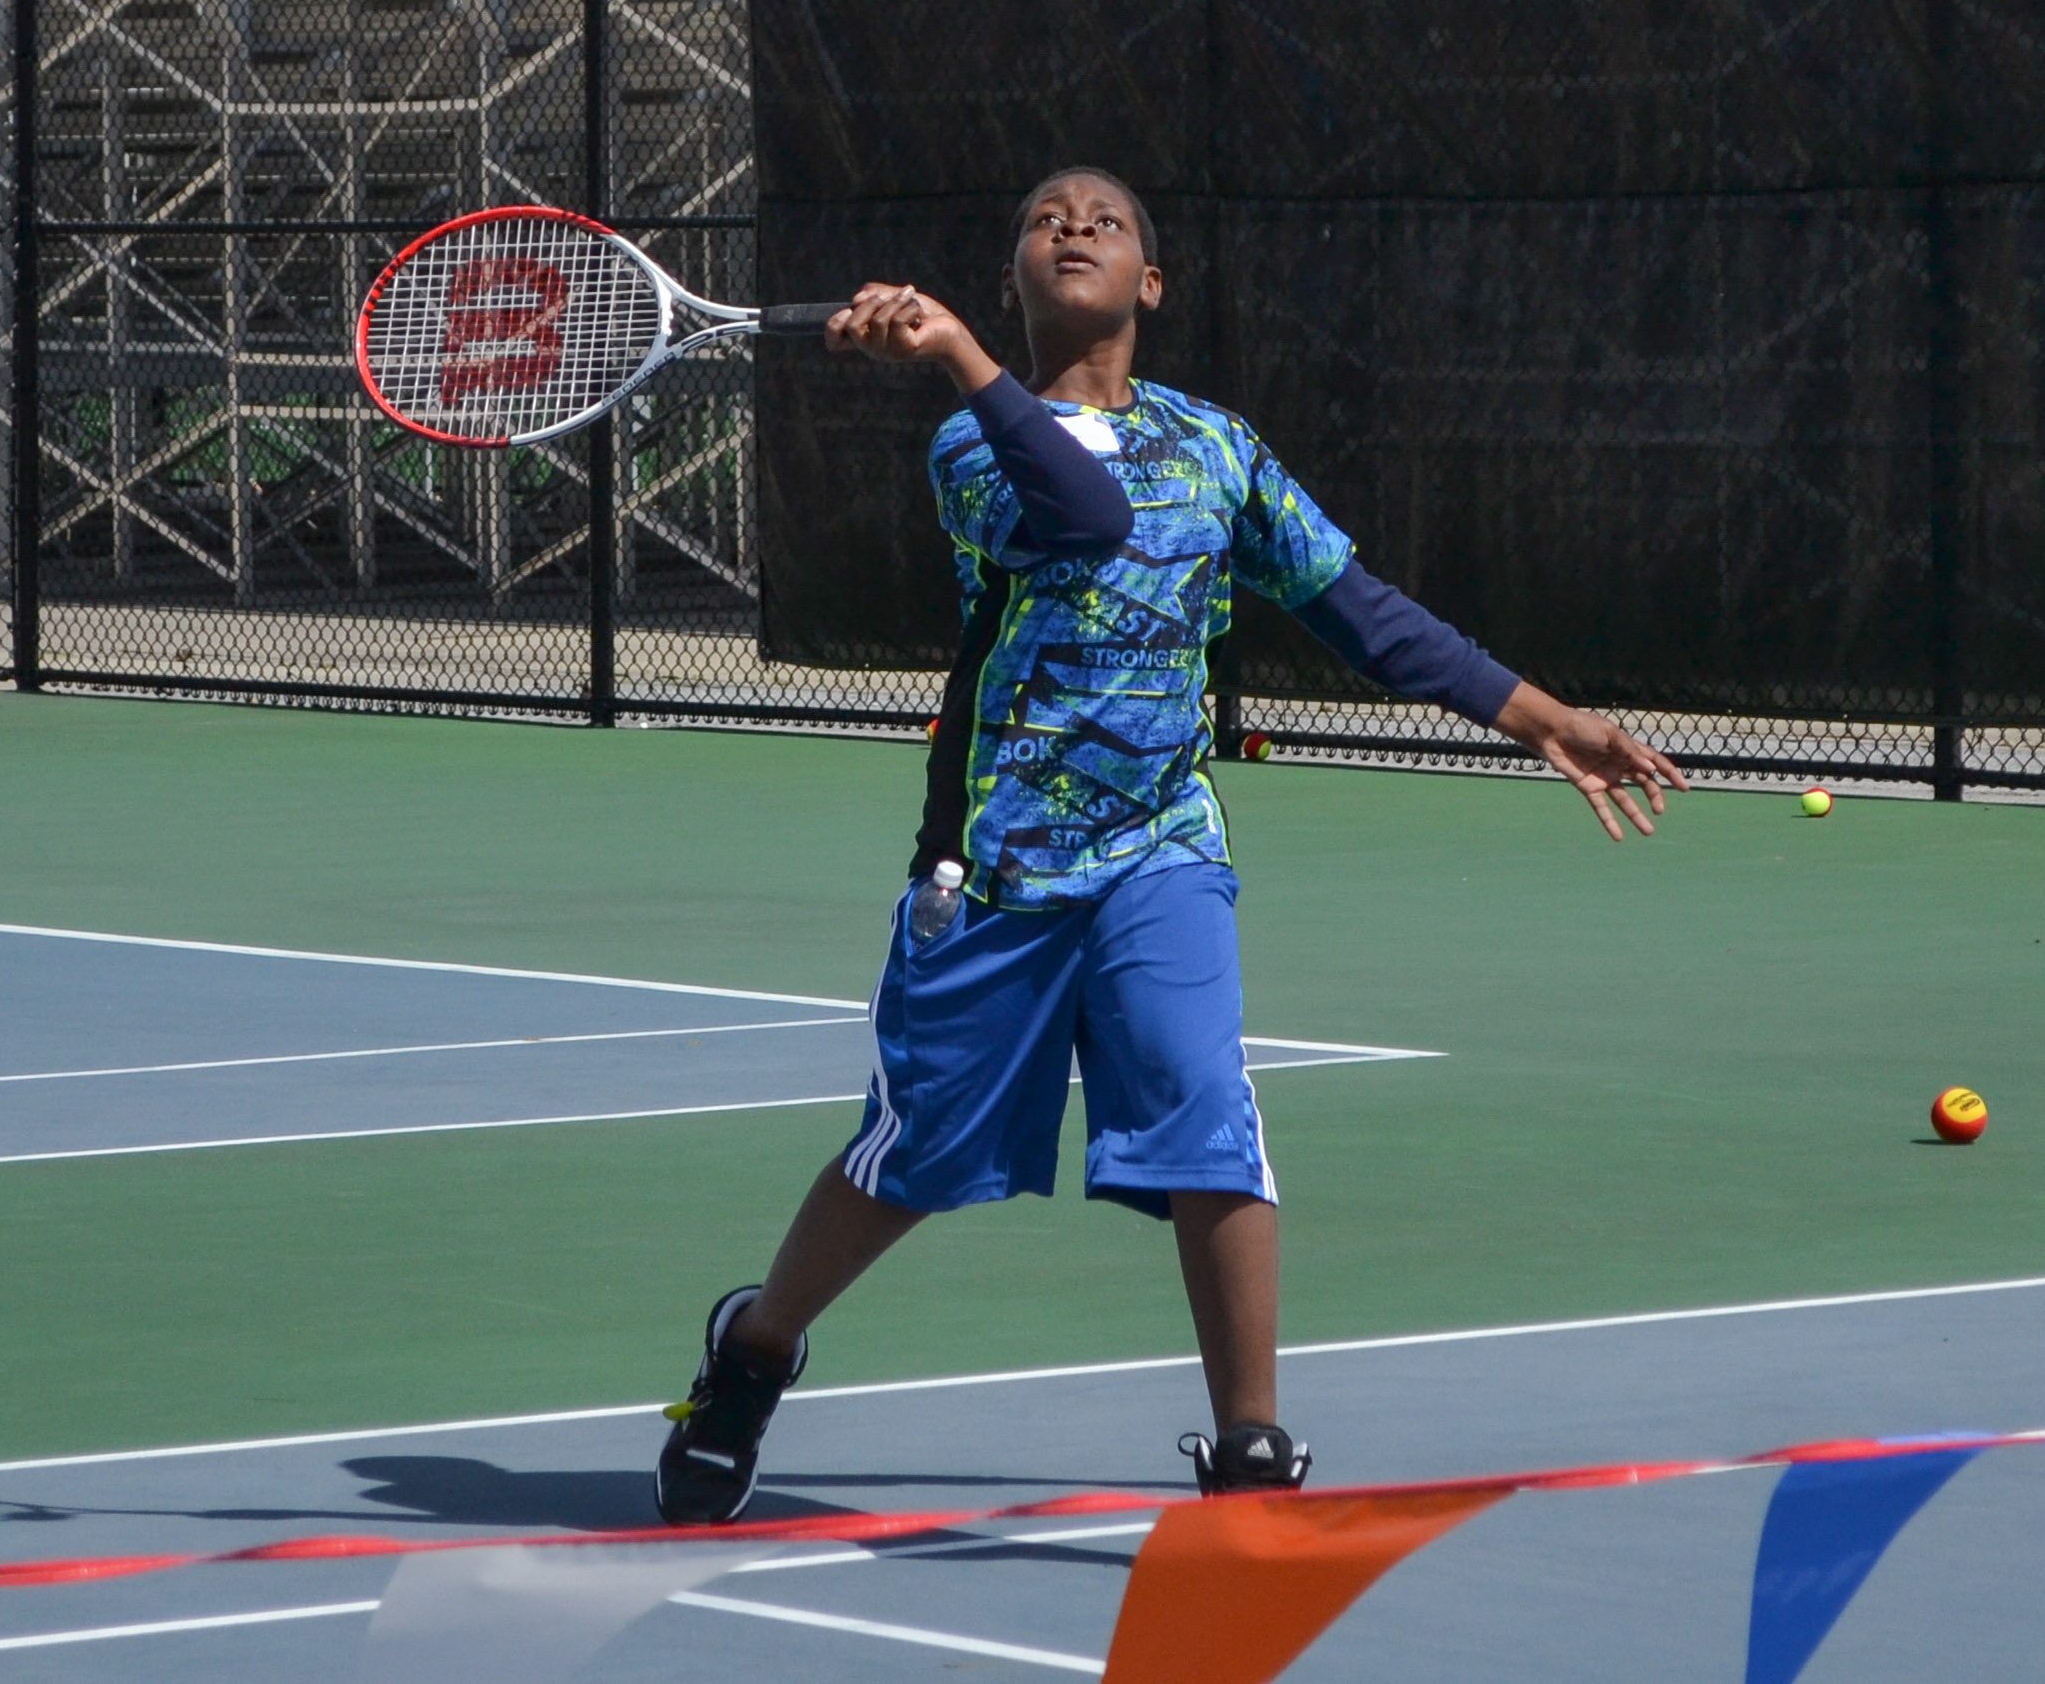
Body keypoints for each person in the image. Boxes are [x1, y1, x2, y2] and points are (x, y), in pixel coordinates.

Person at [651, 168, 1685, 1524]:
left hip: (1163, 852)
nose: (1074, 223)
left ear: (1149, 282)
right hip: (998, 867)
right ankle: (753, 1350)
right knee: (915, 1154)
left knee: (1208, 1117)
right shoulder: (972, 441)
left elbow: (1357, 608)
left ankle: (1250, 1443)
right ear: (1015, 281)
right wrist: (960, 357)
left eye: (1107, 219)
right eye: (1044, 218)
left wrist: (1544, 717)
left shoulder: (1216, 445)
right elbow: (1083, 515)